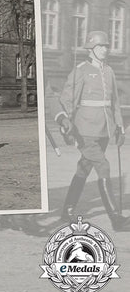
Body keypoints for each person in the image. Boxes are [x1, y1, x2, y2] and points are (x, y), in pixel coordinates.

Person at [56, 31, 129, 231]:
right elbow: (68, 99)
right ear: (91, 49)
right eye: (100, 46)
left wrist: (120, 128)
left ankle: (67, 211)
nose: (105, 49)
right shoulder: (81, 70)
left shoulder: (110, 71)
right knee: (103, 166)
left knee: (84, 168)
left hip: (104, 130)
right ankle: (116, 218)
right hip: (84, 130)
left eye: (106, 46)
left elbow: (114, 102)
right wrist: (65, 123)